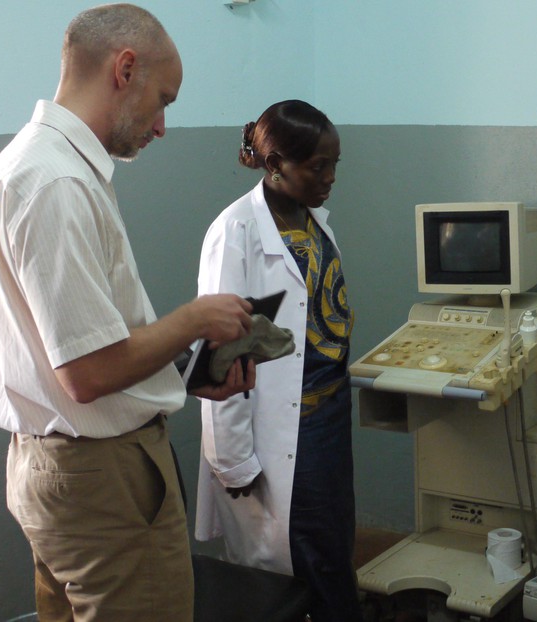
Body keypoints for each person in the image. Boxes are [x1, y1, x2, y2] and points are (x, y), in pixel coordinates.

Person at [0, 5, 257, 621]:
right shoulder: (55, 184)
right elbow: (88, 374)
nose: (161, 126)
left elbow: (81, 348)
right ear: (125, 69)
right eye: (163, 100)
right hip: (102, 479)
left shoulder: (39, 168)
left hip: (56, 467)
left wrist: (184, 371)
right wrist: (195, 319)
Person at [195, 100, 359, 621]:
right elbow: (218, 360)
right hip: (283, 432)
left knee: (332, 553)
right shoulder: (236, 233)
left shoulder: (313, 224)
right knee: (295, 569)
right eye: (318, 166)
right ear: (275, 165)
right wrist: (232, 461)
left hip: (326, 417)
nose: (331, 177)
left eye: (335, 163)